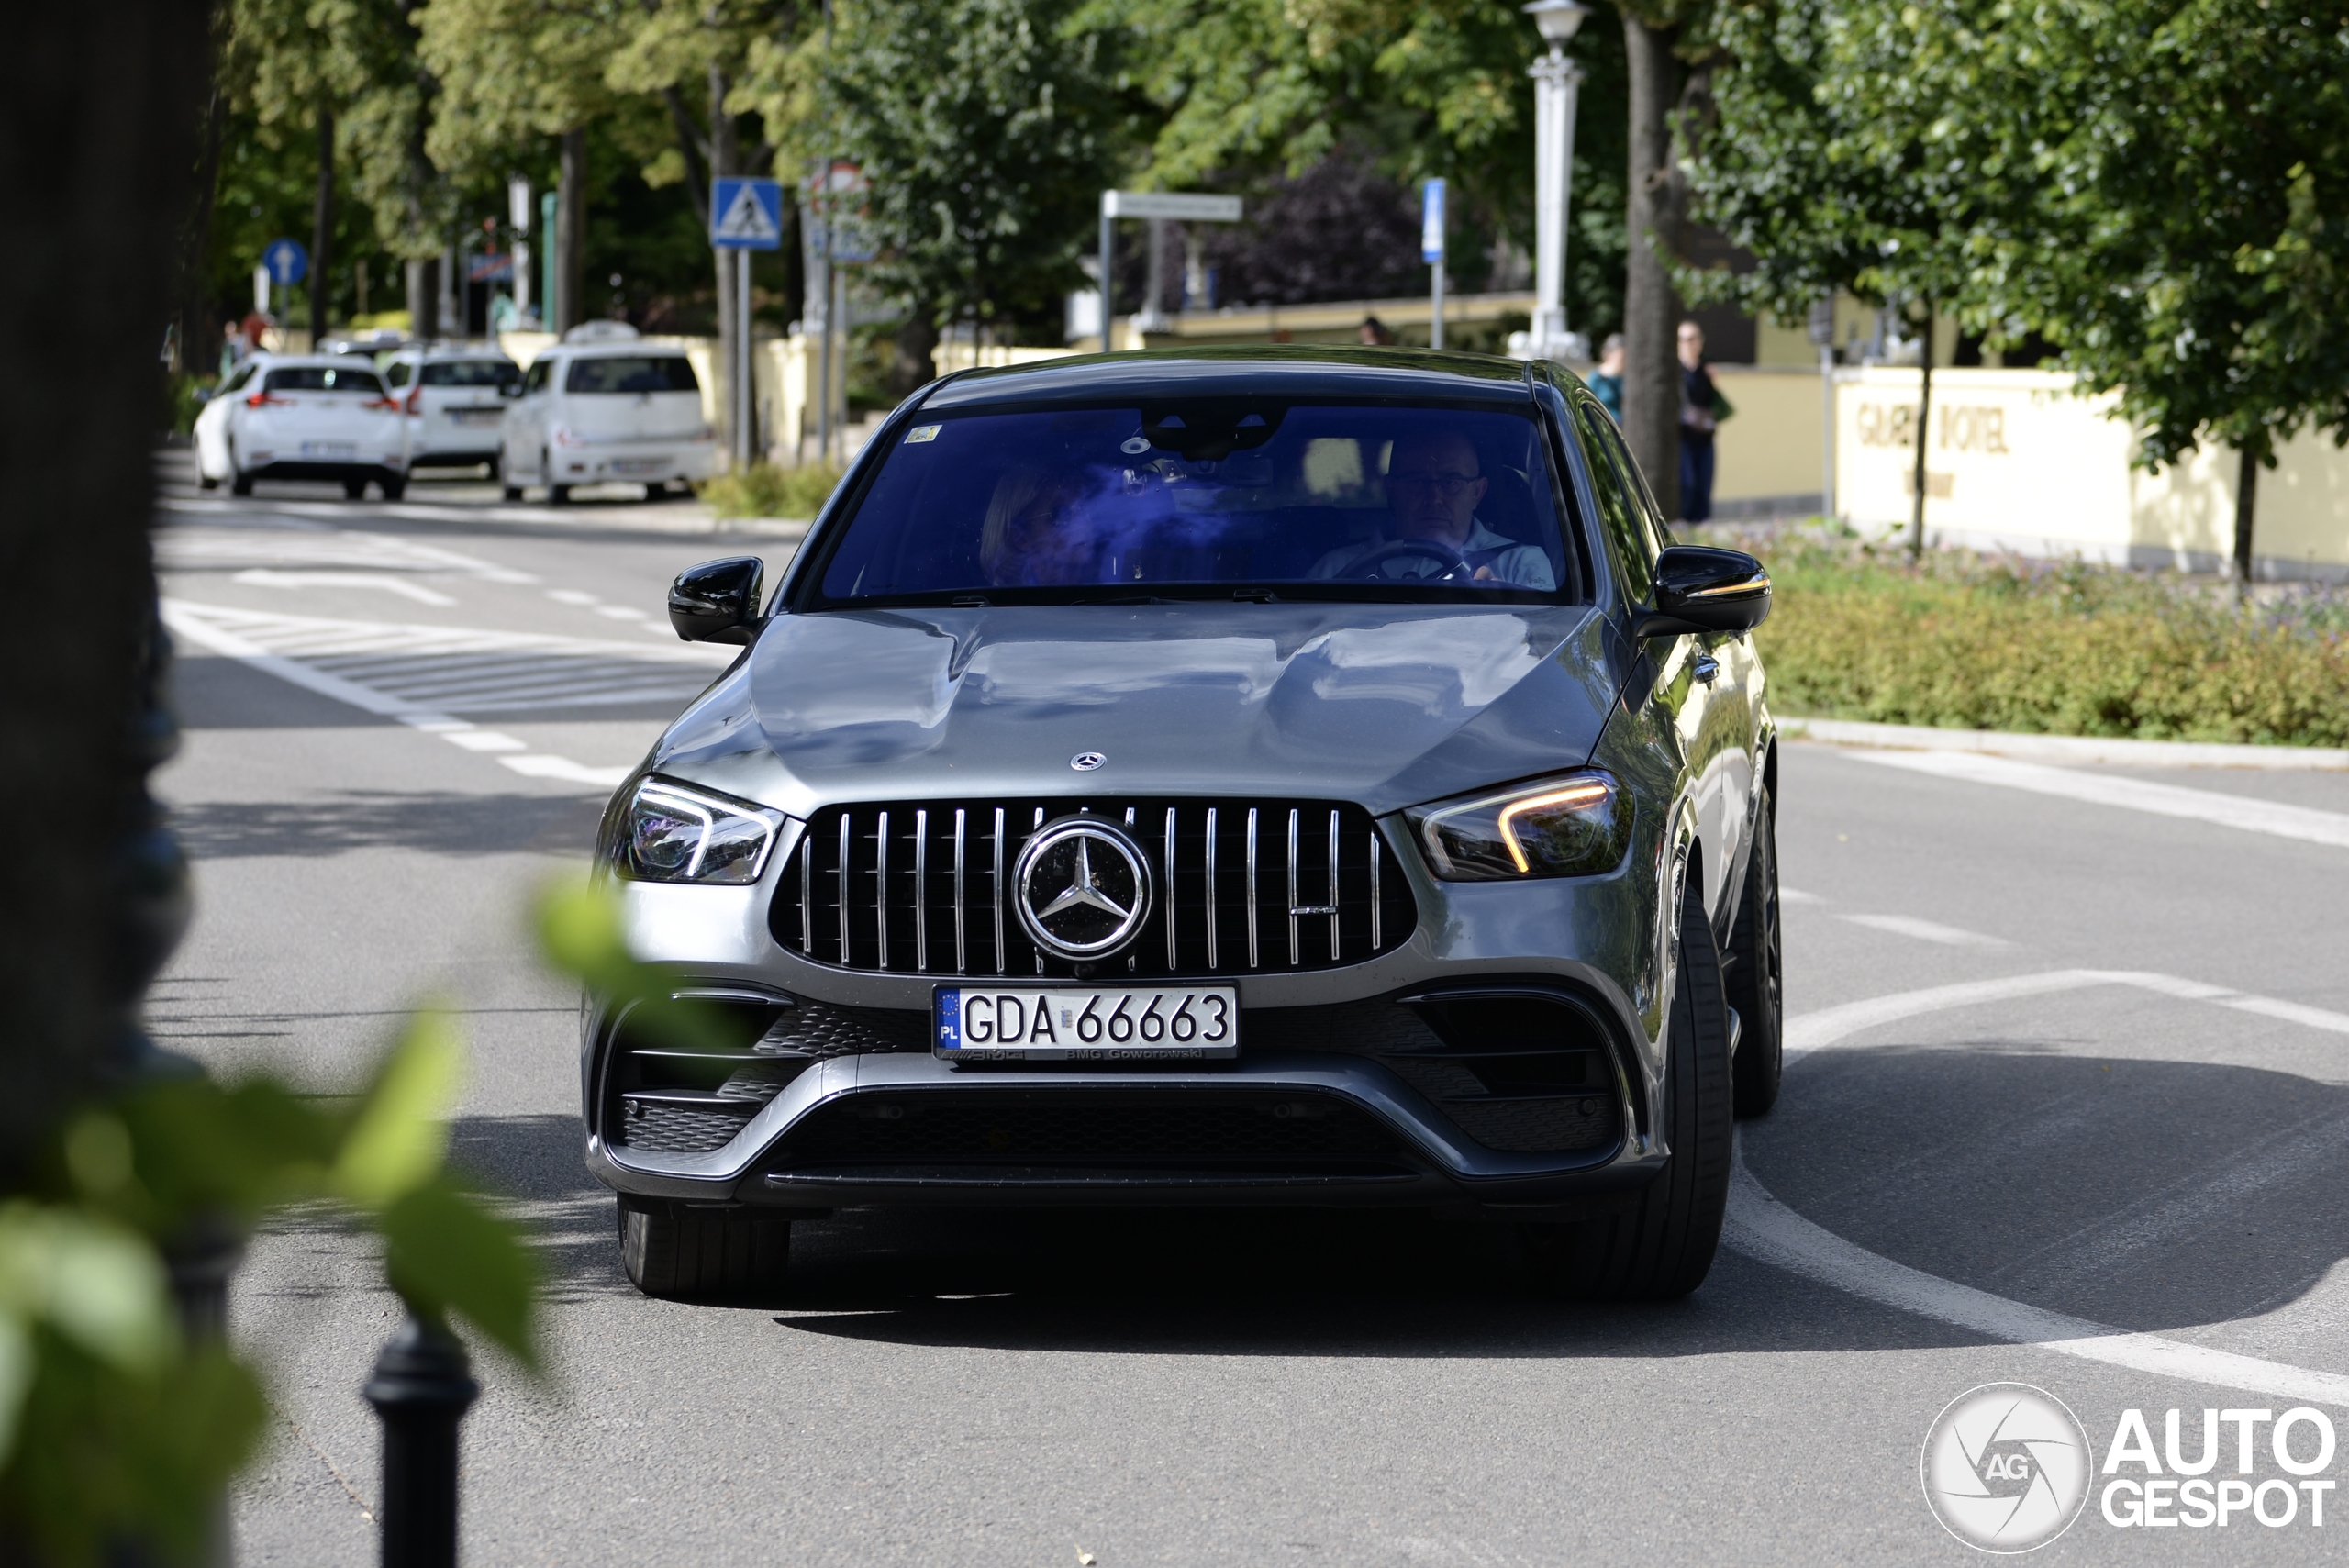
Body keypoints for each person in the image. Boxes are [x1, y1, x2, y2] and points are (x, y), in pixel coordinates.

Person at [1308, 430, 1554, 589]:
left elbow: (1548, 638)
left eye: (1451, 483)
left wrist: (1511, 606)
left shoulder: (1521, 564)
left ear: (1477, 492)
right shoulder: (1336, 568)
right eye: (1416, 481)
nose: (1434, 498)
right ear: (1391, 490)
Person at [1677, 319, 1732, 524]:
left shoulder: (1706, 368)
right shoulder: (1675, 370)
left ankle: (1701, 532)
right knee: (1687, 485)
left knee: (1703, 486)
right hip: (1682, 437)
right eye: (1683, 340)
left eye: (1692, 339)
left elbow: (1713, 401)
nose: (1688, 344)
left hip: (1705, 436)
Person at [1588, 333, 1626, 424]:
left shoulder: (1625, 379)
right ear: (1609, 354)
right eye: (1622, 358)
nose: (1625, 362)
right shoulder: (1596, 378)